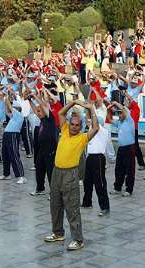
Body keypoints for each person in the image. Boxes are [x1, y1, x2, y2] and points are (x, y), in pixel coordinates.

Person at [44, 100, 98, 251]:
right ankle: (58, 232)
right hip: (56, 173)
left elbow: (95, 128)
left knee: (72, 207)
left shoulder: (82, 138)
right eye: (72, 124)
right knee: (55, 205)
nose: (74, 127)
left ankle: (78, 239)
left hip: (70, 174)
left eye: (76, 125)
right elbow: (61, 113)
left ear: (80, 127)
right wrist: (73, 102)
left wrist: (91, 109)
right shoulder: (65, 130)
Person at [28, 91, 58, 196]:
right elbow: (34, 109)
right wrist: (29, 100)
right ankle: (40, 188)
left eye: (40, 111)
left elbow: (41, 104)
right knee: (39, 167)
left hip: (50, 148)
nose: (38, 112)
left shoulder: (50, 118)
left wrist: (36, 97)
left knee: (50, 170)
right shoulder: (42, 120)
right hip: (42, 147)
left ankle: (53, 192)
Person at [81, 114, 110, 216]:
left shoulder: (102, 131)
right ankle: (87, 202)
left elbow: (95, 123)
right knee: (87, 181)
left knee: (100, 183)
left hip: (98, 158)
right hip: (90, 157)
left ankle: (105, 207)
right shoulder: (91, 130)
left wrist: (92, 112)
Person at [108, 101, 136, 196]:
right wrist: (108, 109)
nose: (120, 115)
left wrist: (116, 102)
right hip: (121, 148)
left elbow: (124, 111)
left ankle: (129, 189)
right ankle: (117, 188)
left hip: (129, 148)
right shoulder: (119, 123)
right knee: (118, 169)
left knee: (129, 170)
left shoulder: (129, 120)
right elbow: (109, 119)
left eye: (121, 113)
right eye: (118, 113)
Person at [0, 95, 26, 184]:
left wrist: (7, 97)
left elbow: (9, 106)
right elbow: (7, 109)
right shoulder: (14, 116)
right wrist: (5, 100)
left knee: (14, 155)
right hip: (7, 135)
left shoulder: (19, 115)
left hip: (13, 135)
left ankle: (21, 176)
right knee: (5, 155)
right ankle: (6, 174)